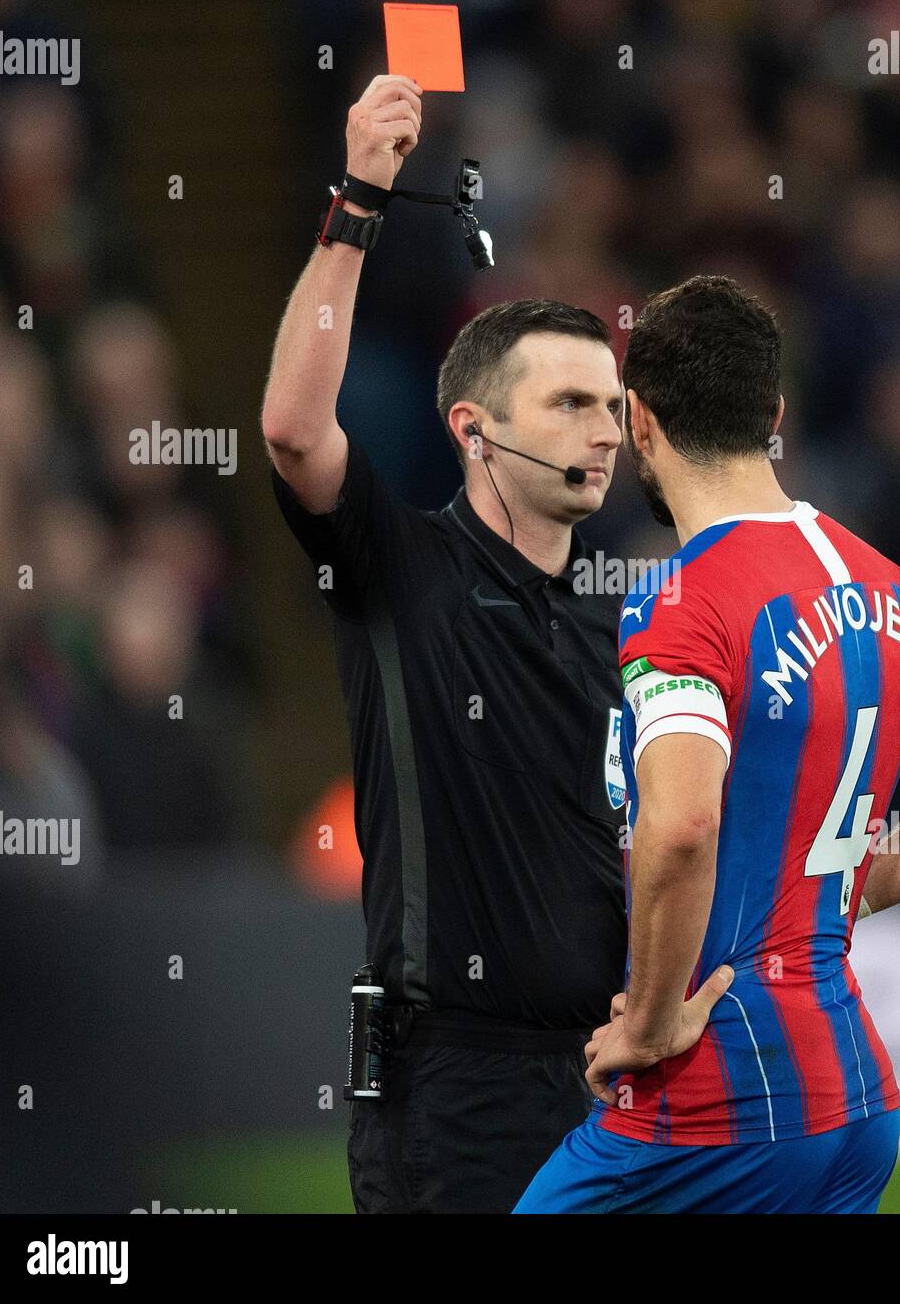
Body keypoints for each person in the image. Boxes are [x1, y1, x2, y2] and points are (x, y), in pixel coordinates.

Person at [515, 275, 900, 1213]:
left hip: (714, 1102)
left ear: (639, 421)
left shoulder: (680, 601)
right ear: (774, 414)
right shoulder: (884, 583)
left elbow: (682, 825)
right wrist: (851, 878)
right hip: (854, 1102)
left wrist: (645, 1026)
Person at [261, 74, 627, 1213]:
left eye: (612, 405)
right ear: (473, 427)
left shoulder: (617, 625)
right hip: (451, 1091)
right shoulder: (399, 569)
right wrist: (360, 197)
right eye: (569, 402)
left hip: (607, 1082)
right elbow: (290, 428)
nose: (604, 428)